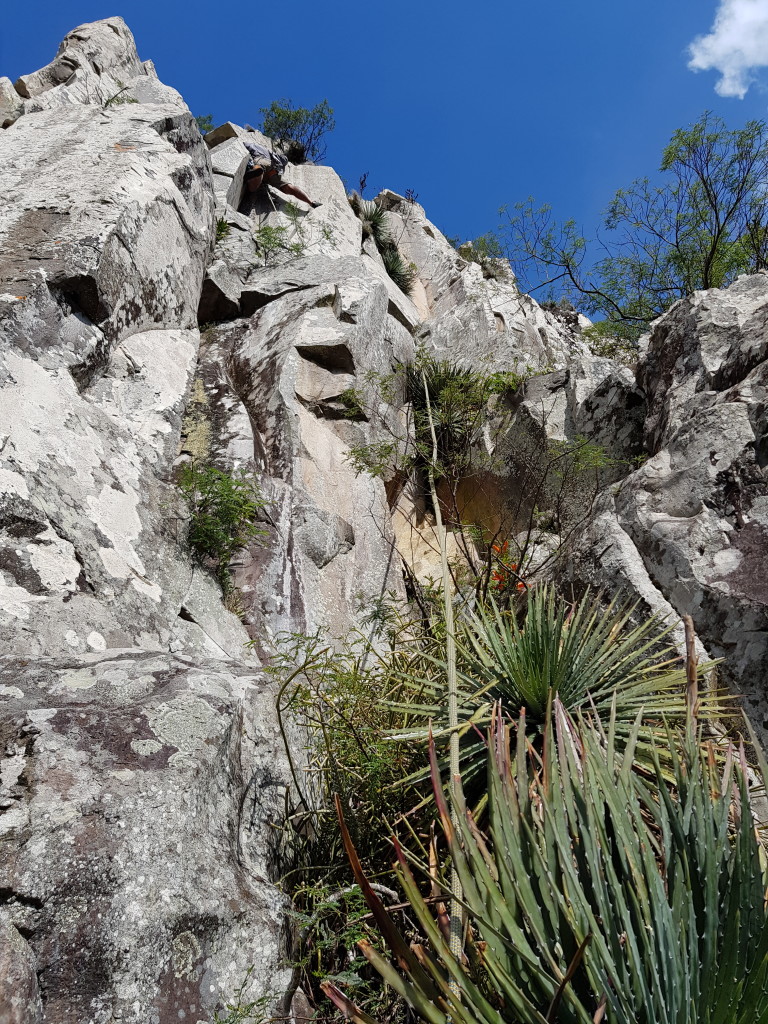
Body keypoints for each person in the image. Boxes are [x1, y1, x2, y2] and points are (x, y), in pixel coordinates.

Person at [242, 140, 322, 208]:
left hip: (262, 160)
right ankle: (311, 202)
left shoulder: (249, 145)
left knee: (254, 184)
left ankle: (258, 172)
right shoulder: (271, 152)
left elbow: (243, 146)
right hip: (275, 168)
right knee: (288, 187)